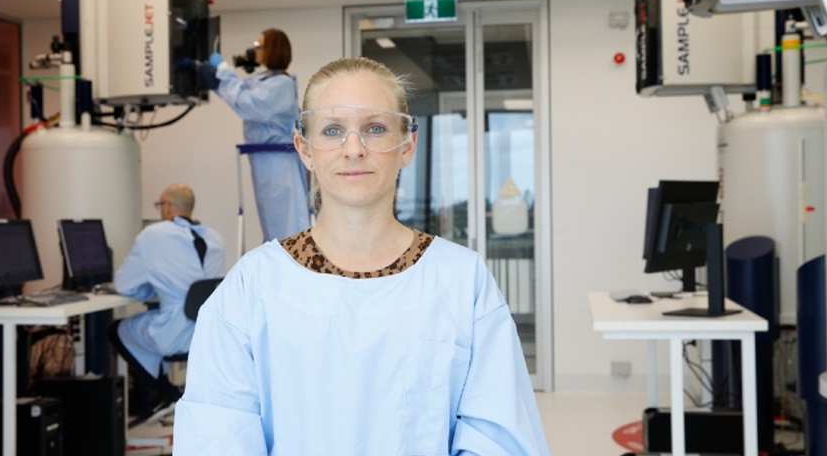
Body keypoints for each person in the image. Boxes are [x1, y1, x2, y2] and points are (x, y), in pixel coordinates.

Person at [174, 57, 550, 455]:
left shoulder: (461, 281)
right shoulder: (252, 287)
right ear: (304, 149)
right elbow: (216, 435)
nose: (354, 149)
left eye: (375, 128)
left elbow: (498, 440)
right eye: (333, 130)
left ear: (408, 145)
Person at [108, 183, 225, 415]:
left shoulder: (154, 235)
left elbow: (123, 285)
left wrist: (149, 290)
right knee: (147, 327)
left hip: (175, 333)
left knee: (116, 331)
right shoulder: (213, 238)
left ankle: (163, 392)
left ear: (169, 207)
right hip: (209, 334)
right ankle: (167, 395)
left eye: (160, 205)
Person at [206, 28, 310, 242]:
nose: (255, 50)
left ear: (272, 50)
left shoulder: (281, 84)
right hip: (265, 162)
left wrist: (223, 71)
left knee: (287, 224)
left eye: (260, 46)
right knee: (272, 225)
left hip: (278, 163)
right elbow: (241, 92)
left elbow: (249, 104)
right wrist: (216, 78)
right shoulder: (266, 80)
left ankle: (294, 267)